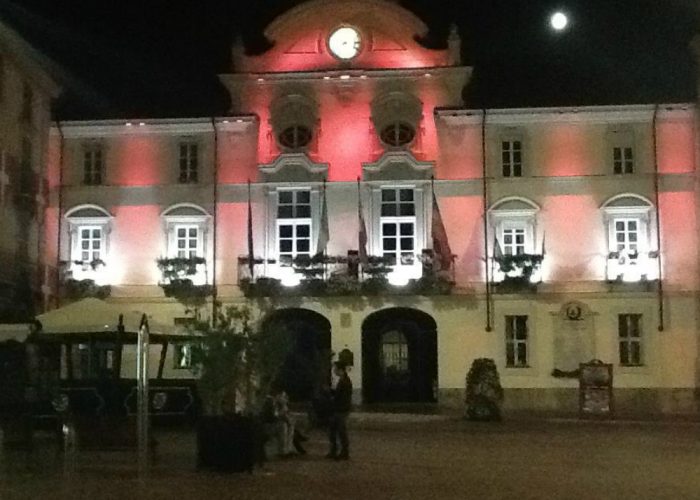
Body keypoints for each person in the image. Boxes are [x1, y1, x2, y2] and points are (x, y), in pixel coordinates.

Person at [326, 361, 352, 460]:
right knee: (333, 430)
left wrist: (332, 397)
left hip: (341, 410)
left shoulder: (345, 382)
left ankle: (344, 452)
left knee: (341, 431)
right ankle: (334, 450)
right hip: (339, 409)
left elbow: (341, 397)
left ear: (340, 370)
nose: (334, 371)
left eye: (336, 369)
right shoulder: (343, 380)